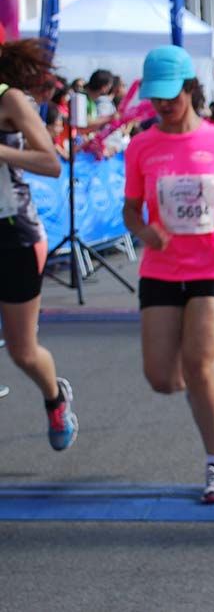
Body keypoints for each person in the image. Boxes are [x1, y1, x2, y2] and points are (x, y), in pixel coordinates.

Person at [122, 45, 214, 503]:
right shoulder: (142, 145)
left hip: (213, 265)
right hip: (161, 270)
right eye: (157, 98)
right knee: (162, 378)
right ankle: (197, 387)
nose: (164, 105)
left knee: (201, 366)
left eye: (171, 95)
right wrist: (147, 231)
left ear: (191, 88)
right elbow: (129, 210)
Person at [0, 39, 75, 451]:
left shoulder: (9, 99)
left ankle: (55, 398)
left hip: (13, 235)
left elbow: (49, 162)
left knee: (23, 351)